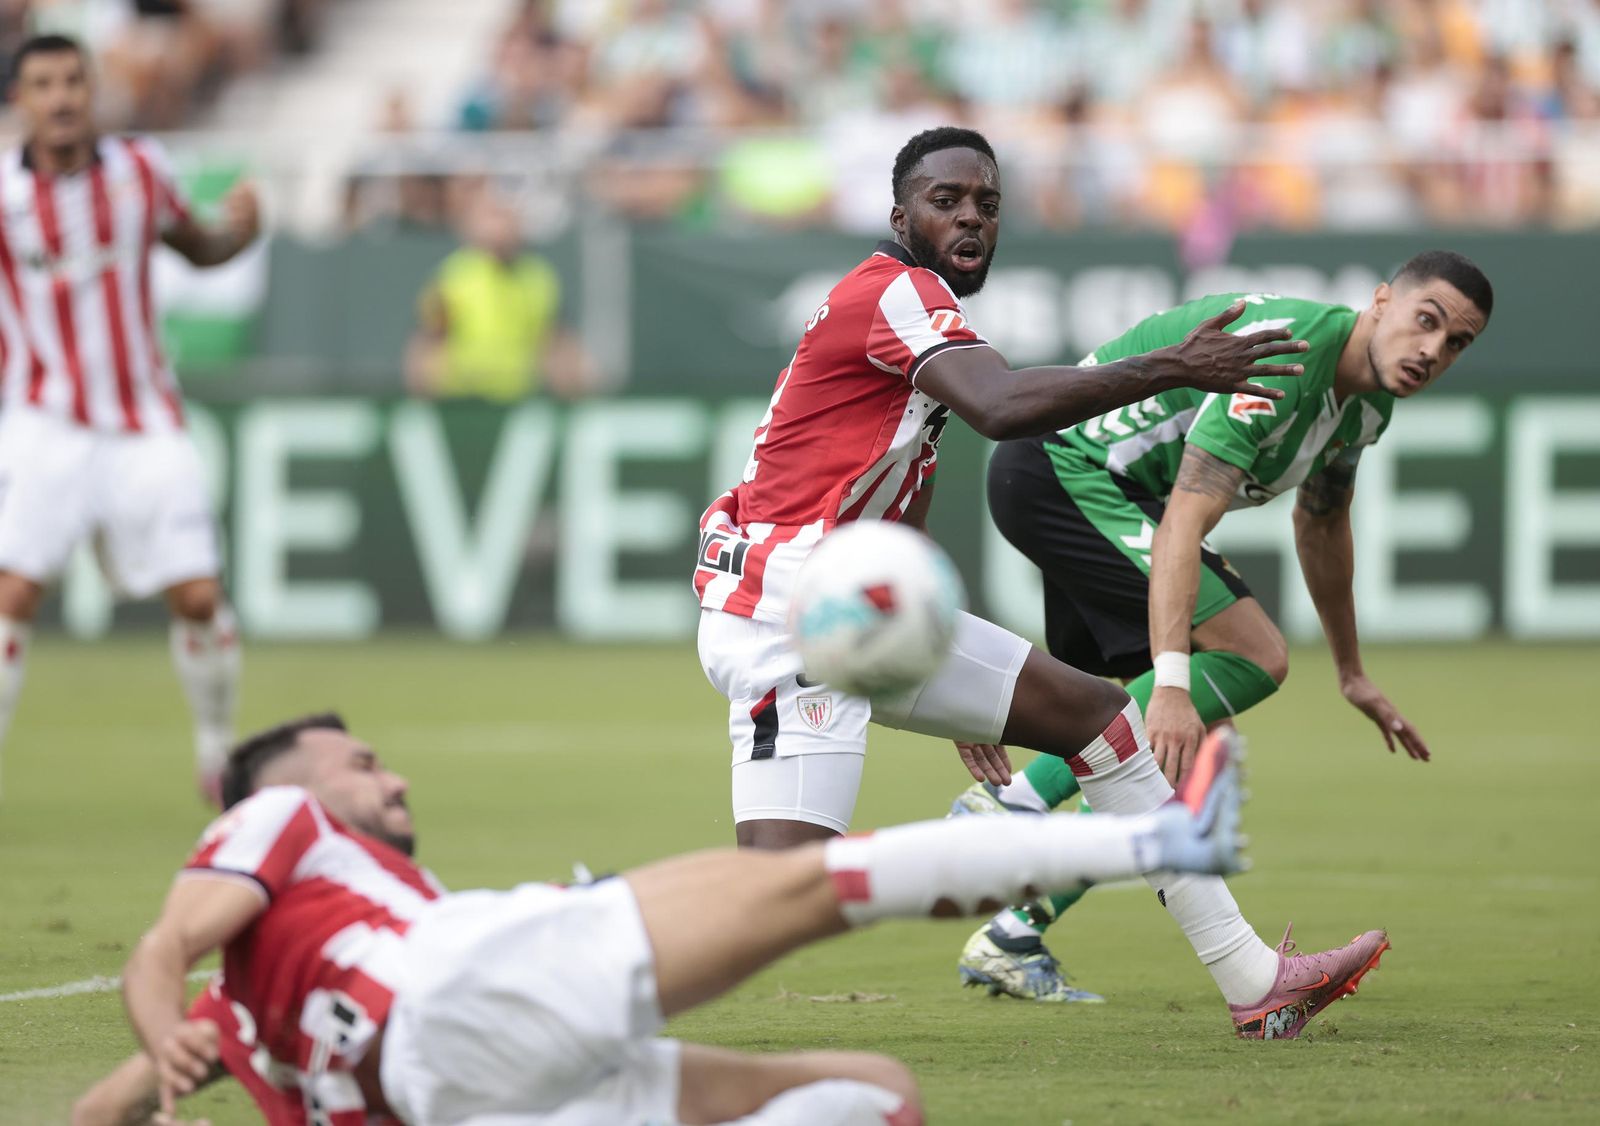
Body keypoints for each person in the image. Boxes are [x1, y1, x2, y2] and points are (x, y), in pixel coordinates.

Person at [692, 125, 1384, 1039]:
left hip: (851, 602)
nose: (971, 215)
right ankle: (576, 946)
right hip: (791, 615)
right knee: (774, 896)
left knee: (1100, 717)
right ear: (899, 215)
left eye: (987, 202)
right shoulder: (895, 291)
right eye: (946, 201)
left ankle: (1255, 980)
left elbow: (886, 504)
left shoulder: (908, 300)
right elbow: (1003, 406)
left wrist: (919, 648)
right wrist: (1174, 366)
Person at [113, 711, 1247, 1125]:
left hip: (471, 1092)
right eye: (362, 764)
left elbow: (99, 1105)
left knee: (871, 1096)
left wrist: (168, 1049)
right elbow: (164, 945)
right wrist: (159, 1013)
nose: (391, 778)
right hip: (451, 1000)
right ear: (296, 788)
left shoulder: (263, 1002)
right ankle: (1153, 840)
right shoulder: (276, 819)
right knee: (800, 887)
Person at [947, 249, 1492, 1003]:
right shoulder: (1288, 357)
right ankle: (1006, 811)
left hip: (1114, 491)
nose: (1433, 350)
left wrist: (1352, 671)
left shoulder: (1368, 406)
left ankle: (1014, 930)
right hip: (1063, 469)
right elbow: (1184, 519)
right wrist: (1171, 678)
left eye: (1456, 342)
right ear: (1380, 302)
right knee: (1248, 658)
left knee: (1158, 749)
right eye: (1426, 321)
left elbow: (1323, 523)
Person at [0, 34, 259, 801]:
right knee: (12, 594)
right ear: (20, 100)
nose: (61, 97)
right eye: (43, 83)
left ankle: (217, 752)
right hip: (45, 420)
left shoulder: (141, 170)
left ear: (92, 90)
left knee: (200, 595)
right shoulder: (3, 198)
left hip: (144, 417)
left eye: (73, 80)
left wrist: (242, 228)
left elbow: (199, 244)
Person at [404, 188, 593, 403]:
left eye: (508, 216)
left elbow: (555, 343)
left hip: (518, 399)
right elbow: (428, 342)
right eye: (494, 216)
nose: (501, 227)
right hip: (462, 399)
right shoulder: (453, 277)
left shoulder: (538, 277)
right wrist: (424, 397)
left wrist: (575, 391)